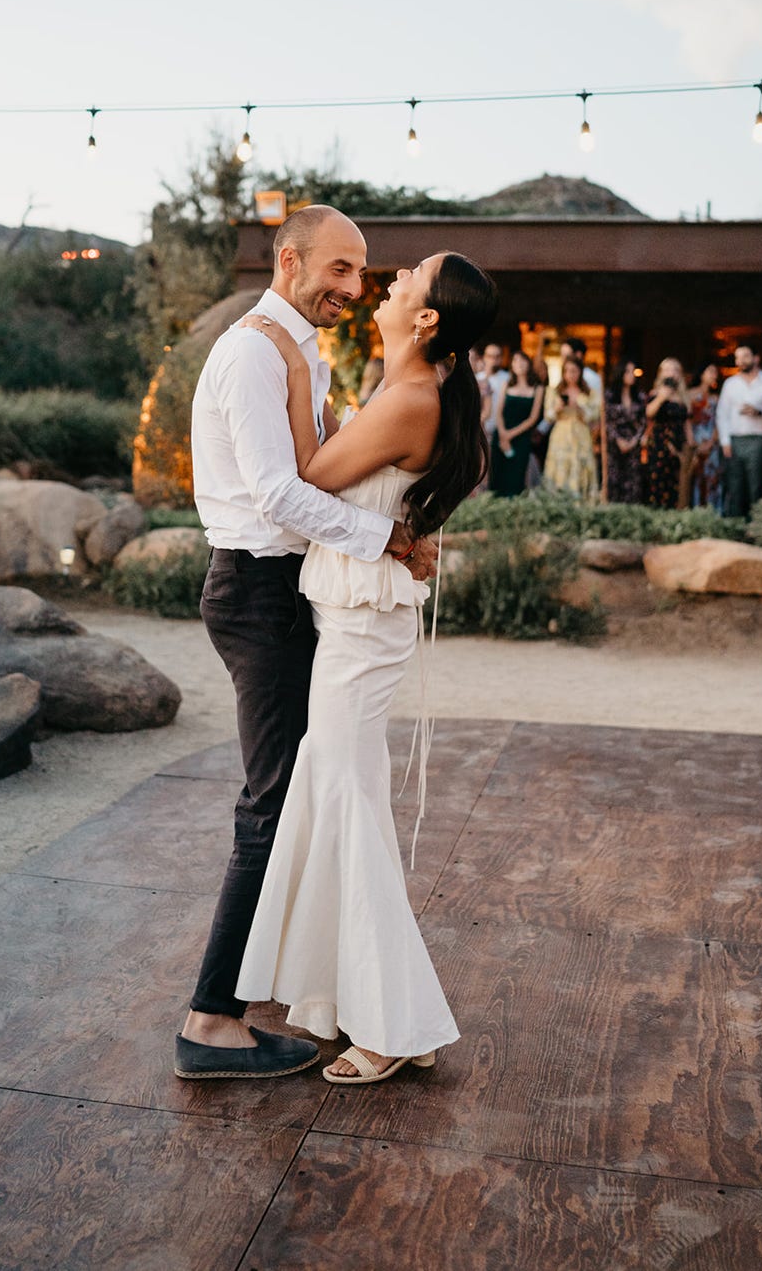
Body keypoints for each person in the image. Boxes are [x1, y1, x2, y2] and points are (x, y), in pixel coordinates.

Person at [175, 205, 438, 1083]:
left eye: (360, 274)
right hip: (256, 590)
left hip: (282, 590)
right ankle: (212, 1022)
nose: (352, 290)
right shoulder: (255, 351)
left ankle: (297, 991)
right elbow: (281, 495)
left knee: (296, 795)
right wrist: (390, 542)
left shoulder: (297, 351)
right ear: (289, 260)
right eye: (337, 270)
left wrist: (397, 522)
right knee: (274, 801)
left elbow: (327, 463)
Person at [236, 251, 500, 1084]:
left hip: (360, 629)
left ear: (426, 320)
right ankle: (345, 999)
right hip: (353, 619)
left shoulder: (410, 399)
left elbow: (310, 477)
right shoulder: (407, 394)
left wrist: (289, 369)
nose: (389, 283)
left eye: (408, 279)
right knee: (336, 793)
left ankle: (393, 1022)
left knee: (350, 805)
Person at [715, 343, 762, 518]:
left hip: (758, 439)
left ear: (756, 358)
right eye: (737, 357)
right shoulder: (730, 384)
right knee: (735, 486)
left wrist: (759, 412)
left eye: (745, 356)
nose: (740, 361)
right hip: (735, 440)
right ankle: (735, 526)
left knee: (756, 486)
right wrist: (725, 441)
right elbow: (722, 414)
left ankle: (756, 526)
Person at [543, 355, 599, 498]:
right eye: (567, 371)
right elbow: (548, 417)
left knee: (581, 467)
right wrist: (557, 408)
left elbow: (594, 417)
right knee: (560, 468)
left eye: (574, 371)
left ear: (580, 372)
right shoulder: (555, 391)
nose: (570, 374)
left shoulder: (589, 393)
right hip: (561, 435)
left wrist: (581, 408)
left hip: (581, 434)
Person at [489, 349, 542, 497]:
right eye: (515, 361)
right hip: (501, 435)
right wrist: (503, 434)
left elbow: (533, 418)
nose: (519, 364)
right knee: (497, 477)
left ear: (529, 364)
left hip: (521, 437)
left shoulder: (538, 388)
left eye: (522, 360)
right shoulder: (507, 384)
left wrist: (510, 435)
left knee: (516, 478)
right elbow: (498, 412)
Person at [644, 358, 692, 509]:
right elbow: (649, 413)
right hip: (660, 444)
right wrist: (662, 397)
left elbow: (686, 423)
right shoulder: (655, 394)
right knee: (658, 481)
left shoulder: (683, 397)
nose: (671, 373)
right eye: (667, 369)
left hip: (678, 445)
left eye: (675, 370)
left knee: (677, 483)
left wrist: (691, 447)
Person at [603, 359, 646, 504]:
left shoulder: (639, 397)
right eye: (627, 371)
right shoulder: (609, 395)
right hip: (614, 444)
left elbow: (643, 422)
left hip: (633, 444)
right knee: (614, 482)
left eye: (633, 371)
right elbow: (605, 421)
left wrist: (634, 441)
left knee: (632, 483)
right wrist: (617, 439)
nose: (631, 375)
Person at [687, 361, 722, 511]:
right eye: (711, 371)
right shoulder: (690, 395)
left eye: (715, 372)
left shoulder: (717, 398)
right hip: (695, 441)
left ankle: (712, 513)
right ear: (702, 374)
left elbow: (719, 421)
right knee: (695, 478)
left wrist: (712, 441)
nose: (714, 375)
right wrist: (694, 443)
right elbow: (687, 419)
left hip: (711, 443)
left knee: (712, 479)